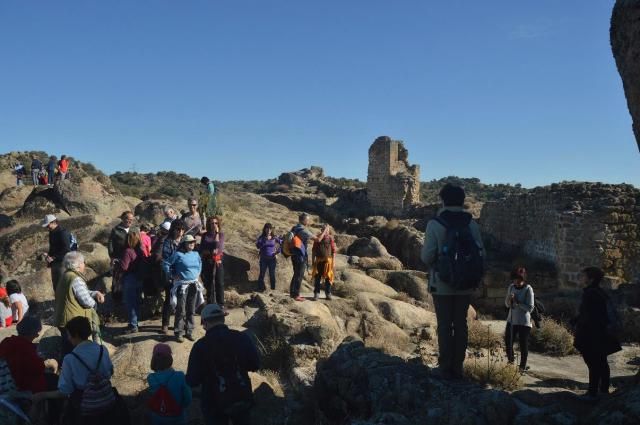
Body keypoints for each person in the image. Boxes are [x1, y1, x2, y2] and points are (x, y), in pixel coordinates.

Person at [420, 183, 484, 380]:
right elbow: (481, 252)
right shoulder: (471, 223)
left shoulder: (435, 224)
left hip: (442, 284)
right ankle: (458, 367)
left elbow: (427, 257)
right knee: (461, 324)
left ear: (443, 200)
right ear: (463, 201)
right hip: (465, 284)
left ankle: (445, 366)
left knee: (445, 325)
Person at [32, 316, 117, 425]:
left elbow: (64, 392)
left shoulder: (70, 359)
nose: (68, 338)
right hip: (107, 400)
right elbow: (110, 372)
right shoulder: (102, 349)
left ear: (75, 335)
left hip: (84, 407)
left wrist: (42, 395)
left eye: (68, 335)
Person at [186, 304, 260, 425]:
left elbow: (192, 380)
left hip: (213, 402)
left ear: (204, 323)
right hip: (241, 395)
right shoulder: (242, 337)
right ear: (223, 319)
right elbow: (255, 365)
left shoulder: (200, 346)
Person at [572, 267, 622, 401]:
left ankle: (593, 393)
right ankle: (604, 390)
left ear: (591, 279)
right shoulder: (600, 292)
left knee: (593, 363)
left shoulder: (590, 293)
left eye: (583, 276)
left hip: (592, 334)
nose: (581, 278)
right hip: (601, 333)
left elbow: (589, 315)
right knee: (601, 361)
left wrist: (577, 324)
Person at [53, 251, 105, 357]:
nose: (84, 265)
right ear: (77, 264)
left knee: (67, 349)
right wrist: (95, 305)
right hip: (73, 320)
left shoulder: (66, 275)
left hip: (63, 318)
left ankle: (65, 370)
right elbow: (86, 300)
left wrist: (95, 293)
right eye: (83, 262)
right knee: (76, 352)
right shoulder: (76, 278)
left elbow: (76, 292)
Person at [163, 234, 204, 343]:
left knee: (191, 309)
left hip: (193, 284)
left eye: (193, 242)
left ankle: (189, 331)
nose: (192, 244)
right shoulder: (178, 255)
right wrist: (171, 275)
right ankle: (178, 332)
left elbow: (200, 264)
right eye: (189, 242)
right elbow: (166, 263)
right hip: (182, 285)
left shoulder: (196, 254)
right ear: (184, 244)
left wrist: (197, 274)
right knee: (181, 309)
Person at [147, 343, 192, 425]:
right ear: (170, 359)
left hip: (158, 416)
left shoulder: (151, 378)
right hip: (177, 416)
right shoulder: (180, 376)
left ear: (153, 360)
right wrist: (181, 406)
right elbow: (188, 398)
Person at [0, 317, 46, 393]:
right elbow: (39, 368)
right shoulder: (28, 348)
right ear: (33, 332)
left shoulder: (6, 341)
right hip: (23, 388)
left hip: (6, 384)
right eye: (37, 332)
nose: (38, 335)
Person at [504, 267, 534, 372]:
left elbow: (530, 308)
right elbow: (507, 305)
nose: (517, 281)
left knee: (523, 344)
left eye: (519, 279)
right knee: (508, 342)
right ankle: (511, 361)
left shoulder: (528, 289)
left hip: (524, 322)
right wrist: (509, 299)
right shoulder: (511, 287)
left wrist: (518, 303)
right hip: (511, 320)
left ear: (523, 279)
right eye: (515, 279)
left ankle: (522, 366)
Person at [160, 220, 187, 335]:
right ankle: (165, 324)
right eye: (178, 229)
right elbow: (167, 257)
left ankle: (181, 324)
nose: (180, 232)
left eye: (182, 230)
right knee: (169, 300)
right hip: (171, 275)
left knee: (182, 301)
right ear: (173, 229)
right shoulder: (168, 242)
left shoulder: (185, 242)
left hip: (183, 275)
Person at [120, 231, 144, 334]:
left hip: (130, 278)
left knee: (130, 302)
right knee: (137, 302)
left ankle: (133, 325)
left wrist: (117, 262)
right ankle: (135, 323)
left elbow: (124, 267)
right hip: (139, 278)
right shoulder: (140, 250)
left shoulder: (128, 251)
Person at [42, 214, 73, 292]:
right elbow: (52, 248)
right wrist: (49, 257)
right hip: (55, 263)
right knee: (56, 287)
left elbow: (66, 249)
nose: (47, 228)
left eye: (48, 225)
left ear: (54, 222)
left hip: (63, 263)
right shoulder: (52, 233)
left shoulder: (62, 233)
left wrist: (53, 257)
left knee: (64, 287)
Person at [289, 213, 316, 302]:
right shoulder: (303, 230)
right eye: (307, 220)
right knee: (299, 275)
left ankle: (292, 293)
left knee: (296, 274)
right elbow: (317, 239)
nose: (308, 221)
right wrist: (325, 231)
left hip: (294, 254)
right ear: (303, 220)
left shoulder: (295, 228)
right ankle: (296, 295)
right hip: (300, 255)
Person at [108, 211, 135, 300]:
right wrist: (112, 257)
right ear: (123, 219)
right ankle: (117, 302)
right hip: (119, 259)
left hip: (132, 260)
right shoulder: (116, 230)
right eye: (128, 219)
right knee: (117, 282)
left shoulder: (134, 229)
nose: (130, 221)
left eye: (131, 219)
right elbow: (110, 244)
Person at [199, 216, 225, 306]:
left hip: (218, 260)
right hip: (207, 261)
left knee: (219, 282)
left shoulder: (221, 235)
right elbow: (202, 249)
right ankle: (210, 304)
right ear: (209, 224)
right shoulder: (205, 235)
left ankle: (220, 304)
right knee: (209, 283)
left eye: (216, 223)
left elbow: (218, 246)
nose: (214, 225)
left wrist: (217, 233)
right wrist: (211, 251)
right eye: (212, 223)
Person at [311, 224, 336, 301]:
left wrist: (333, 262)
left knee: (328, 278)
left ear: (328, 231)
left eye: (327, 229)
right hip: (319, 261)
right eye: (324, 229)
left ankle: (328, 294)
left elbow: (333, 251)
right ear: (321, 230)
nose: (325, 231)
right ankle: (316, 293)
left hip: (328, 261)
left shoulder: (330, 239)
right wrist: (313, 260)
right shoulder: (317, 238)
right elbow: (314, 250)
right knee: (317, 278)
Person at [255, 223, 281, 291]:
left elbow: (282, 242)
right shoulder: (261, 237)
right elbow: (257, 246)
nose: (269, 230)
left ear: (271, 229)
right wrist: (264, 241)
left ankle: (273, 290)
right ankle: (260, 288)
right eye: (267, 228)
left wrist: (278, 251)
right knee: (262, 274)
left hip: (272, 259)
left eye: (270, 228)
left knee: (272, 274)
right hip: (263, 259)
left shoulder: (274, 237)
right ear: (264, 229)